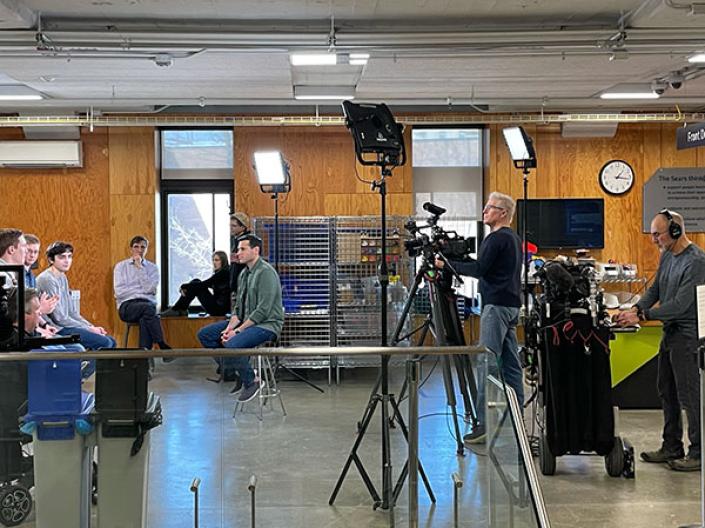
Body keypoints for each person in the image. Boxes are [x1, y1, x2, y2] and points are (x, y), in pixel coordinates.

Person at [616, 209, 705, 472]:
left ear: (675, 231)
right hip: (670, 334)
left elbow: (680, 305)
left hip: (688, 337)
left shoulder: (697, 262)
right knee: (667, 391)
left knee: (689, 396)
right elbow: (655, 290)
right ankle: (671, 447)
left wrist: (643, 315)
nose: (654, 240)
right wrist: (635, 309)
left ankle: (699, 452)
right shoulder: (667, 256)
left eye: (658, 234)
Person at [436, 192, 523, 445]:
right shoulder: (512, 238)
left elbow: (479, 270)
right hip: (510, 306)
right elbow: (486, 266)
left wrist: (445, 265)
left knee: (487, 363)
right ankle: (515, 419)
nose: (484, 211)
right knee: (510, 364)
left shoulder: (496, 238)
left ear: (503, 213)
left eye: (490, 207)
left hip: (495, 307)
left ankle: (484, 425)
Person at [197, 234, 284, 402]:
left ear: (255, 250)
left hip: (267, 325)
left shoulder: (266, 273)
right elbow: (238, 307)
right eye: (238, 249)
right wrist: (229, 328)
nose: (238, 253)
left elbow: (263, 311)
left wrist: (237, 332)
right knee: (205, 335)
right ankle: (238, 370)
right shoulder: (244, 274)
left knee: (232, 344)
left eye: (243, 249)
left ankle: (252, 381)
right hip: (246, 322)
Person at [36, 241, 117, 350]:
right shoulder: (47, 279)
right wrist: (88, 329)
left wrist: (91, 327)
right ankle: (88, 366)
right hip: (57, 328)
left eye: (69, 257)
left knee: (112, 341)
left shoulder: (62, 276)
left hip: (66, 325)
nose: (67, 261)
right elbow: (59, 318)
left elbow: (72, 312)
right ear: (51, 260)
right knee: (105, 342)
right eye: (62, 257)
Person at [114, 235, 171, 351]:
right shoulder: (120, 267)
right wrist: (142, 291)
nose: (139, 250)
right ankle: (161, 343)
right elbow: (119, 292)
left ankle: (143, 359)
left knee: (146, 318)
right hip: (127, 306)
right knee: (149, 310)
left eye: (143, 247)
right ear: (131, 249)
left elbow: (149, 289)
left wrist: (140, 268)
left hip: (146, 305)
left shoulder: (152, 268)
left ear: (146, 249)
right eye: (136, 247)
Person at [161, 251, 231, 317]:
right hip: (218, 308)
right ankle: (180, 309)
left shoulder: (224, 273)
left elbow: (204, 284)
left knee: (196, 283)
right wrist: (189, 287)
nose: (214, 262)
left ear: (223, 261)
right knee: (196, 283)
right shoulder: (221, 273)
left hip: (219, 310)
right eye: (213, 260)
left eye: (217, 260)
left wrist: (184, 286)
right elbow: (205, 284)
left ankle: (177, 309)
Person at [23, 234, 60, 338]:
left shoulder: (31, 276)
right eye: (29, 251)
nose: (32, 255)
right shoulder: (17, 275)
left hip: (36, 326)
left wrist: (45, 325)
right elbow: (26, 311)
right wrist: (41, 309)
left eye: (35, 252)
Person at [229, 212, 251, 297]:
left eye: (234, 226)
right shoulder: (235, 239)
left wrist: (238, 258)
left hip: (244, 280)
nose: (231, 228)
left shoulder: (248, 240)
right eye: (230, 225)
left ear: (242, 227)